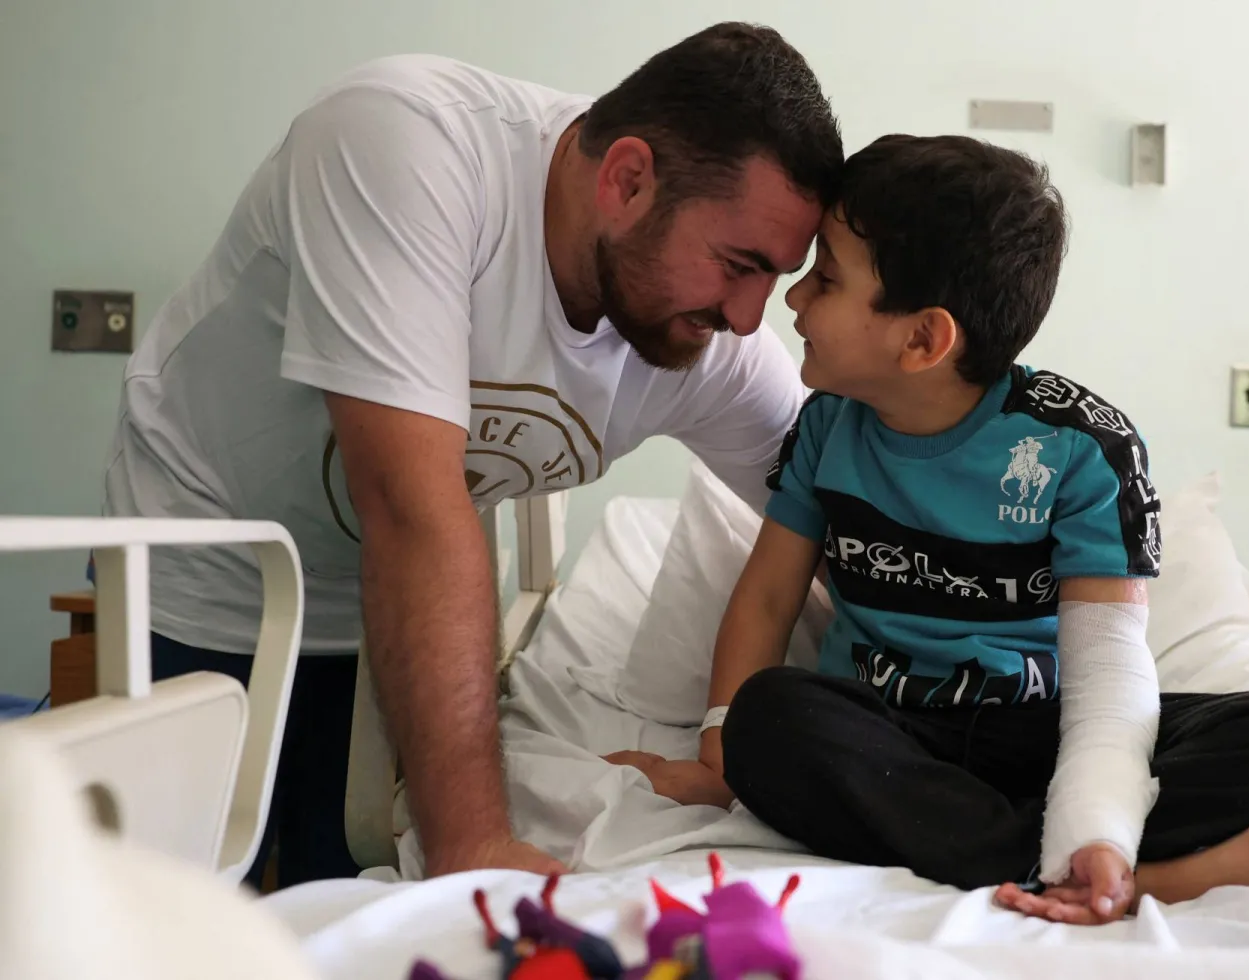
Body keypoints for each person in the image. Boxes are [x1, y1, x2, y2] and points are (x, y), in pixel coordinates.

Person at [101, 23, 843, 888]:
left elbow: (856, 522)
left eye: (777, 279)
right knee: (165, 904)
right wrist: (474, 843)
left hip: (392, 620)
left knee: (334, 891)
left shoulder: (711, 344)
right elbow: (413, 510)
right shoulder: (404, 142)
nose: (751, 316)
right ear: (628, 179)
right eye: (737, 265)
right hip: (211, 565)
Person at [607, 135, 1249, 924]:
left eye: (826, 278)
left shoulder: (1082, 447)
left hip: (1047, 736)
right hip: (891, 741)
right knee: (768, 719)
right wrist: (721, 754)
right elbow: (769, 598)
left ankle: (1083, 859)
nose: (793, 301)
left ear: (922, 340)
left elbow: (1110, 680)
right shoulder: (826, 429)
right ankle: (1137, 877)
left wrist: (1096, 819)